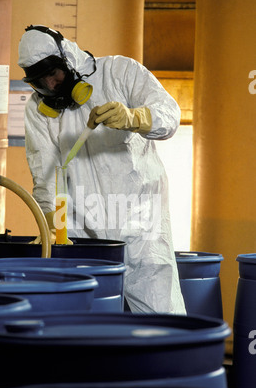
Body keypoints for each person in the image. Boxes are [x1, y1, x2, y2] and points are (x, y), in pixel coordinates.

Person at [18, 24, 186, 315]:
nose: (52, 85)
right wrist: (52, 226)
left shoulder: (120, 72)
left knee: (160, 314)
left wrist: (136, 116)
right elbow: (44, 174)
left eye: (54, 74)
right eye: (41, 82)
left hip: (141, 221)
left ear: (68, 59)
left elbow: (169, 114)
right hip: (80, 229)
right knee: (86, 326)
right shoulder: (38, 110)